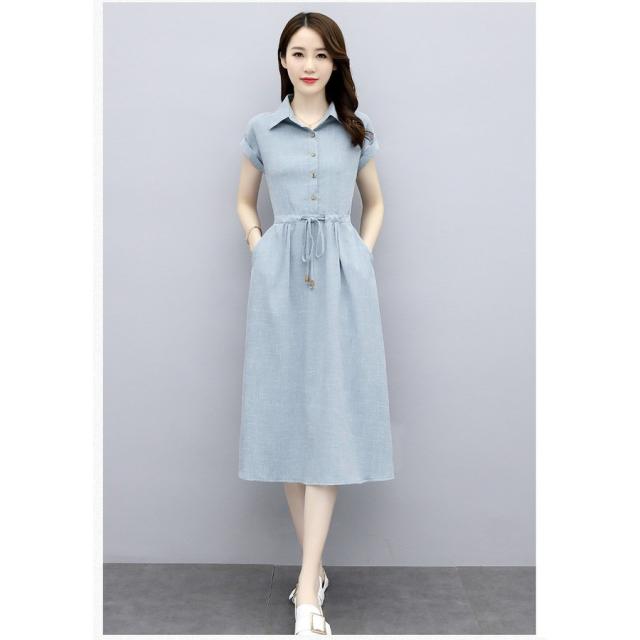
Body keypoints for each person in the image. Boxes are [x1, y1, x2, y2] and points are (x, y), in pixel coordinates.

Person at [236, 11, 394, 635]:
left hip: (341, 287)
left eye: (321, 55)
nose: (309, 65)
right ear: (283, 59)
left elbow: (375, 204)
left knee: (328, 426)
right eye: (299, 53)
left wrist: (360, 254)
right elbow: (243, 199)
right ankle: (314, 573)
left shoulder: (354, 130)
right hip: (278, 285)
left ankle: (307, 592)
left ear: (336, 63)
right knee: (285, 426)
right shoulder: (262, 129)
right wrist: (259, 245)